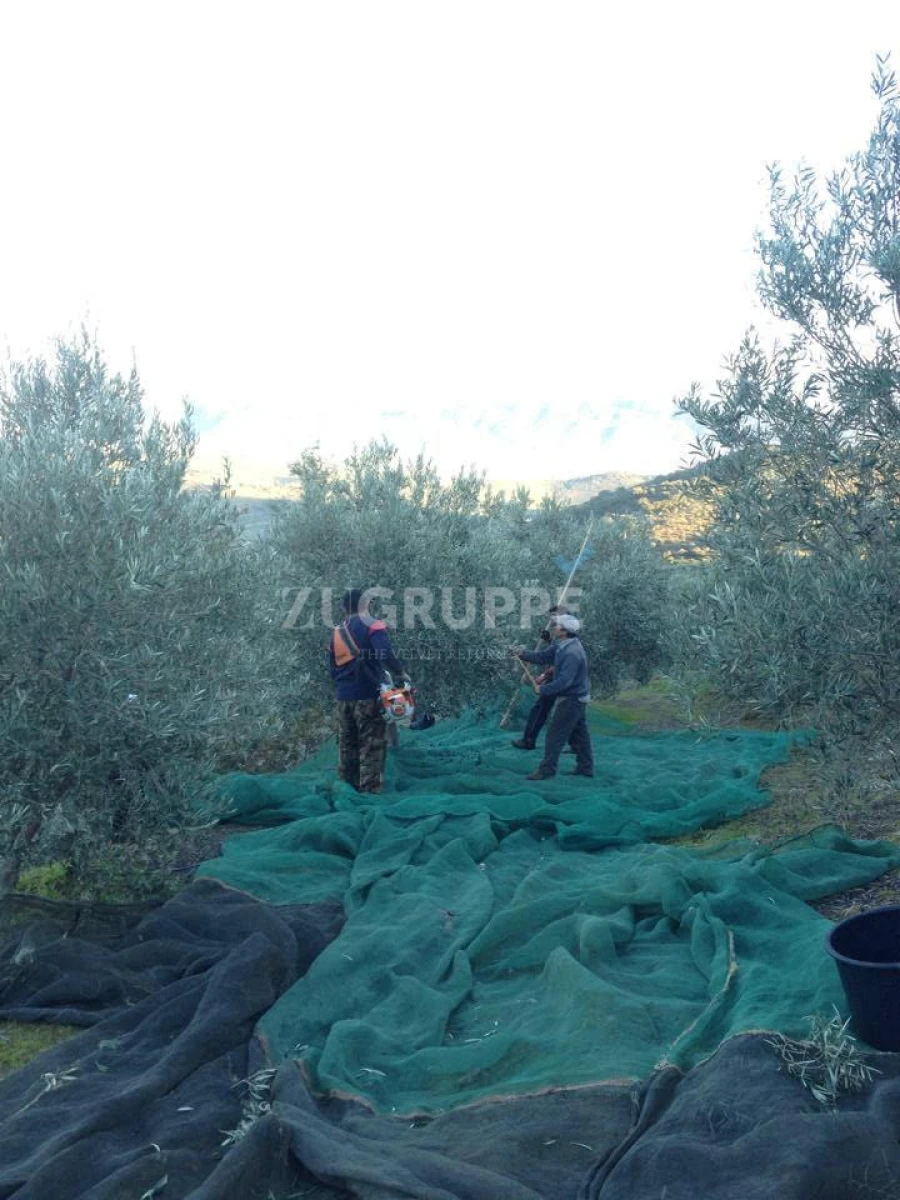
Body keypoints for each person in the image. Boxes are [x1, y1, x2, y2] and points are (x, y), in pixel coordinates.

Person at [328, 587, 406, 794]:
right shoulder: (373, 625)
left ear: (344, 608)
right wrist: (400, 673)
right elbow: (385, 653)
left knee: (347, 746)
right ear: (366, 605)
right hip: (367, 696)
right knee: (370, 747)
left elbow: (331, 668)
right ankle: (369, 796)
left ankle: (346, 792)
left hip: (343, 697)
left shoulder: (337, 632)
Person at [512, 613, 594, 780]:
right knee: (580, 735)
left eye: (557, 625)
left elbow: (565, 681)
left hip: (573, 698)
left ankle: (547, 770)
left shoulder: (572, 652)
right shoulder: (561, 644)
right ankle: (585, 768)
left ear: (564, 631)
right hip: (577, 696)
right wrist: (522, 653)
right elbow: (543, 657)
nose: (554, 627)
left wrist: (543, 689)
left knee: (555, 734)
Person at [510, 604, 567, 751]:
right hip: (562, 678)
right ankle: (578, 745)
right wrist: (549, 640)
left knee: (540, 710)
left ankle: (528, 741)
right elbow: (555, 652)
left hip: (558, 679)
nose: (552, 622)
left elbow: (543, 657)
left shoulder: (562, 637)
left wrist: (522, 654)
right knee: (573, 712)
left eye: (553, 618)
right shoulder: (566, 633)